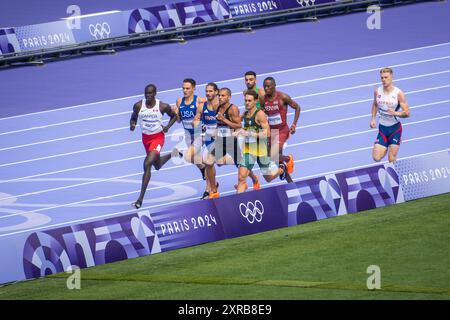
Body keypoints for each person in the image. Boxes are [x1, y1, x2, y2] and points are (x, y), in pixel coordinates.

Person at [130, 84, 178, 209]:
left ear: (155, 93)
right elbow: (133, 117)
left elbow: (174, 116)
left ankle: (140, 199)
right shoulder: (138, 106)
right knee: (157, 165)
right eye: (146, 93)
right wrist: (133, 124)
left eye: (151, 93)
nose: (148, 95)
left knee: (147, 163)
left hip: (157, 138)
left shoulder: (162, 106)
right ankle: (173, 154)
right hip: (146, 139)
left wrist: (167, 127)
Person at [234, 91, 289, 193]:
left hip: (261, 151)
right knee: (241, 178)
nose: (247, 103)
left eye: (249, 101)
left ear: (255, 101)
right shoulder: (245, 114)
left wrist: (249, 134)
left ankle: (282, 169)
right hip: (249, 151)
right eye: (245, 100)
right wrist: (237, 132)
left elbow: (267, 133)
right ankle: (239, 201)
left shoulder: (260, 114)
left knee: (268, 178)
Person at [261, 77, 300, 182]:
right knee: (278, 160)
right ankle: (290, 184)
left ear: (274, 86)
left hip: (282, 130)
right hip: (271, 132)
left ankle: (288, 159)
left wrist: (294, 125)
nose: (266, 88)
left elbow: (297, 107)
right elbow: (261, 113)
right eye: (265, 86)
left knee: (272, 155)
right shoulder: (263, 99)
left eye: (268, 86)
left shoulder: (283, 97)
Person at [371, 67, 410, 163]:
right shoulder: (377, 91)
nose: (384, 80)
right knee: (376, 158)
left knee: (391, 159)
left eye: (386, 77)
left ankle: (391, 145)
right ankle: (386, 146)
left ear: (392, 77)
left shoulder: (398, 94)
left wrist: (395, 113)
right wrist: (373, 119)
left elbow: (407, 113)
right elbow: (375, 104)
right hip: (382, 129)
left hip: (394, 129)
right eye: (382, 78)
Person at [174, 78, 206, 179]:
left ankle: (206, 170)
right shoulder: (179, 101)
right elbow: (179, 120)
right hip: (188, 133)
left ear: (194, 88)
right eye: (183, 88)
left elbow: (209, 114)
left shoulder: (200, 100)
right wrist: (175, 114)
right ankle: (205, 170)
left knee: (188, 156)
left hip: (199, 132)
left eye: (188, 88)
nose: (185, 91)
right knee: (194, 159)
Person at [193, 82, 220, 199]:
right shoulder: (202, 106)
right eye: (207, 91)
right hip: (209, 139)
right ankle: (211, 189)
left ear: (216, 92)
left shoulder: (220, 106)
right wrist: (199, 126)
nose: (208, 93)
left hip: (222, 138)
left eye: (210, 91)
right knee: (208, 163)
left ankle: (254, 178)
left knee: (235, 162)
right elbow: (196, 120)